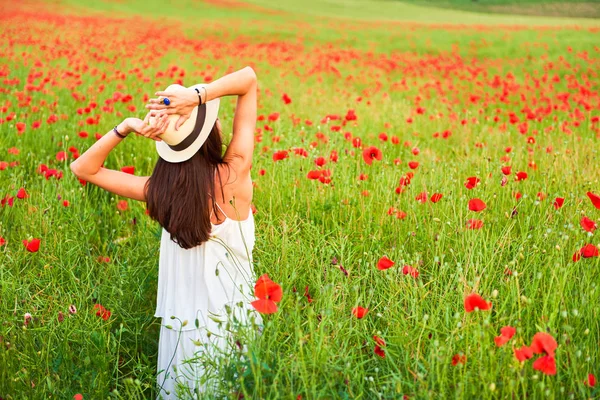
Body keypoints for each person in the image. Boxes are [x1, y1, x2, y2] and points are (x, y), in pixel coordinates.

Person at [70, 66, 262, 399]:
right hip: (235, 326)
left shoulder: (157, 190)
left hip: (182, 334)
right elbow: (248, 80)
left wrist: (127, 127)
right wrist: (197, 96)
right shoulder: (234, 175)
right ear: (211, 136)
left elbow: (83, 168)